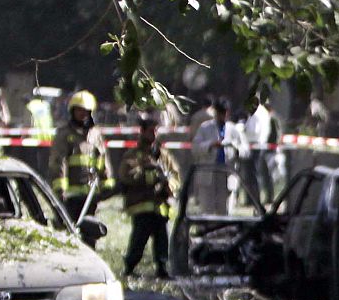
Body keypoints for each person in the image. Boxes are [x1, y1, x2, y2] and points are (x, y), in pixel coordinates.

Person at [117, 115, 180, 279]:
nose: (153, 134)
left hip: (161, 206)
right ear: (142, 132)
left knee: (162, 240)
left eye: (155, 131)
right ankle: (129, 267)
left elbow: (175, 176)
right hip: (141, 204)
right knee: (139, 239)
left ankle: (162, 268)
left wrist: (169, 185)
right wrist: (153, 176)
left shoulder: (164, 156)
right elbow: (127, 175)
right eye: (150, 131)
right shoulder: (133, 155)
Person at [50, 90, 113, 224]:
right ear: (72, 111)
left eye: (85, 110)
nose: (82, 114)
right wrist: (61, 191)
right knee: (70, 230)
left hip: (91, 195)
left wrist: (106, 183)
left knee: (90, 232)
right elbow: (58, 163)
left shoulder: (95, 135)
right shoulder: (65, 134)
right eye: (78, 110)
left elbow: (102, 159)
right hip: (70, 196)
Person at [190, 97, 244, 213]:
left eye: (225, 113)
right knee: (207, 209)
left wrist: (234, 148)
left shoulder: (234, 130)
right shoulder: (205, 127)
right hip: (209, 172)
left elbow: (245, 150)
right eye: (220, 113)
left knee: (224, 209)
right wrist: (210, 145)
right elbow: (195, 148)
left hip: (226, 173)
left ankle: (225, 230)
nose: (223, 116)